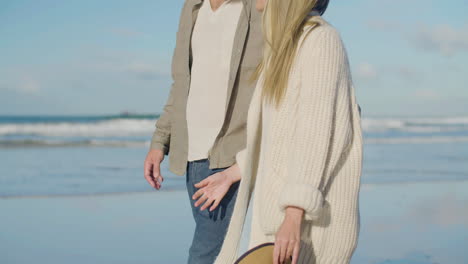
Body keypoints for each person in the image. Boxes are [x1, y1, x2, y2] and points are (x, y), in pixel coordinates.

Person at [194, 0, 364, 263]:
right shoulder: (283, 48)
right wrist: (235, 171)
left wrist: (295, 213)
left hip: (305, 225)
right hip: (276, 216)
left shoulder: (320, 40)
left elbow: (316, 136)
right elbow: (278, 136)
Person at [143, 0, 263, 263]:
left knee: (207, 254)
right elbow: (181, 82)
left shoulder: (260, 6)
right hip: (193, 157)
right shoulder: (192, 8)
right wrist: (160, 142)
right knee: (221, 252)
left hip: (235, 155)